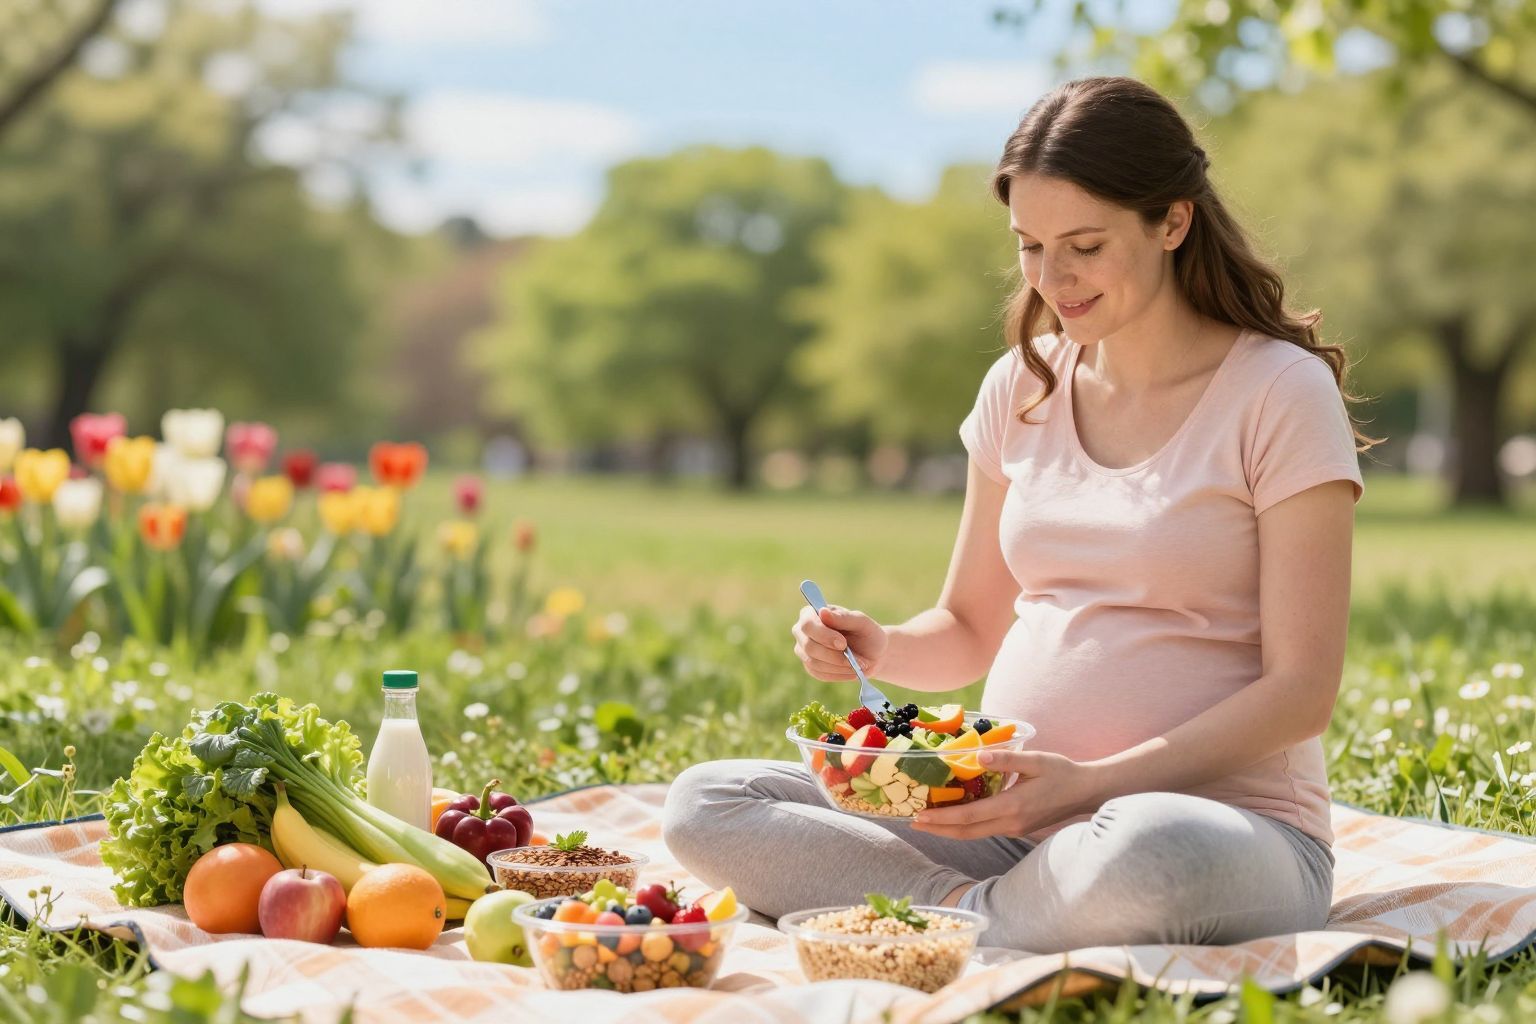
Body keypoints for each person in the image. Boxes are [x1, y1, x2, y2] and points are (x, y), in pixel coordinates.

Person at [662, 76, 1374, 952]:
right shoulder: (1021, 386)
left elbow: (1302, 694)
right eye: (1032, 246)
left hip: (1215, 829)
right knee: (709, 802)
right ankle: (984, 913)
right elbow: (968, 627)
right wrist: (880, 646)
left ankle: (942, 918)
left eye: (1085, 245)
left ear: (1173, 222)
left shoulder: (1279, 392)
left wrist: (1091, 784)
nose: (1052, 278)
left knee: (1146, 850)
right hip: (1007, 820)